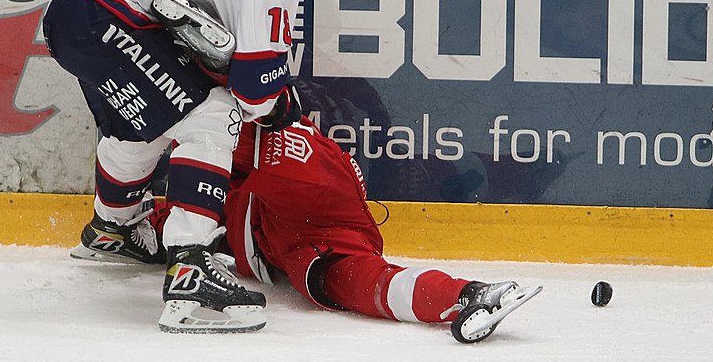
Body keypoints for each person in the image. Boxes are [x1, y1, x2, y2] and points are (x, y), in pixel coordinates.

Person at [45, 0, 357, 333]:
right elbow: (254, 95)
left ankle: (114, 228)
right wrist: (280, 105)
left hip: (74, 9)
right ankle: (190, 270)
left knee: (144, 120)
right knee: (215, 113)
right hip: (112, 18)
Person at [221, 117, 541, 343]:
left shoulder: (309, 187)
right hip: (308, 218)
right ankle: (468, 291)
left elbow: (224, 126)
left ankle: (469, 292)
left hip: (317, 200)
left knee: (366, 285)